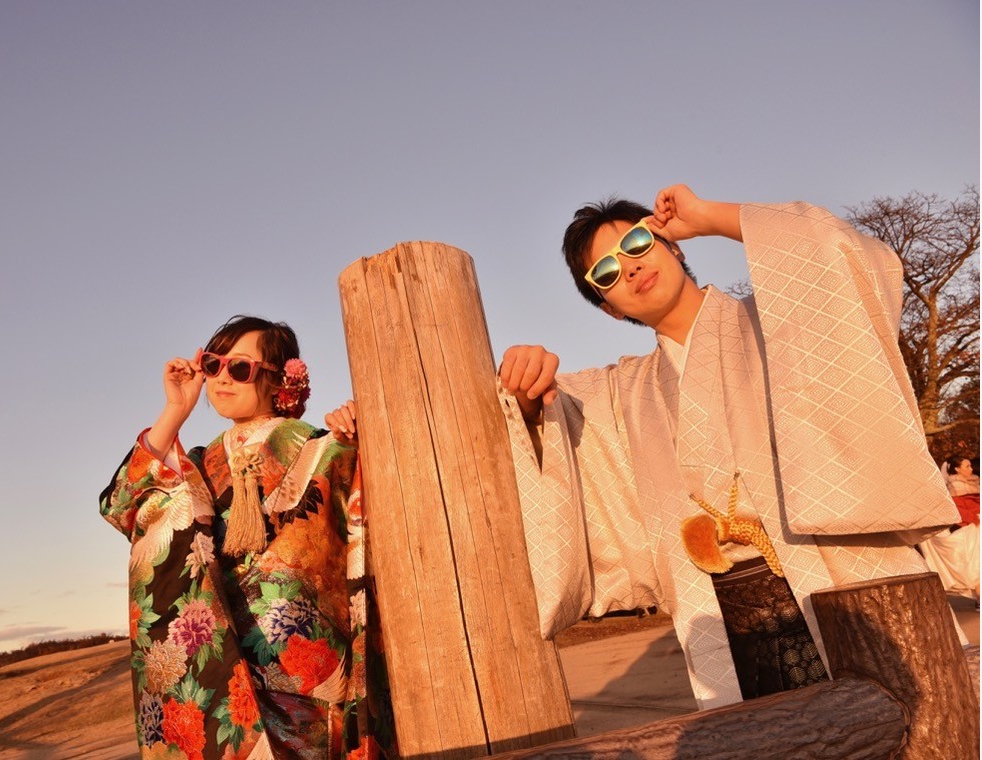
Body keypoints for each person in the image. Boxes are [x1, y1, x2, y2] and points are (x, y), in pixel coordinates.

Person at [498, 185, 960, 709]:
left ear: (673, 246)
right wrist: (528, 394)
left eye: (637, 243)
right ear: (607, 308)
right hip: (730, 626)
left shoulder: (782, 324)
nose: (627, 268)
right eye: (605, 272)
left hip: (848, 581)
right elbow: (543, 429)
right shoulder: (618, 392)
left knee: (918, 723)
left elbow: (840, 257)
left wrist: (710, 216)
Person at [100, 316, 389, 760]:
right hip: (228, 679)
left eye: (239, 368)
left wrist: (363, 428)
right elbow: (123, 506)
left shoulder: (327, 447)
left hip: (311, 678)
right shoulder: (196, 466)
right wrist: (176, 410)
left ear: (279, 379)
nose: (220, 378)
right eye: (213, 365)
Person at [920, 455, 980, 605]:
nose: (971, 469)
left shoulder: (973, 482)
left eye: (970, 466)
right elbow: (958, 510)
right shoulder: (955, 487)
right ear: (957, 469)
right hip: (972, 528)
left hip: (975, 526)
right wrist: (974, 518)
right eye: (967, 466)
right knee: (975, 564)